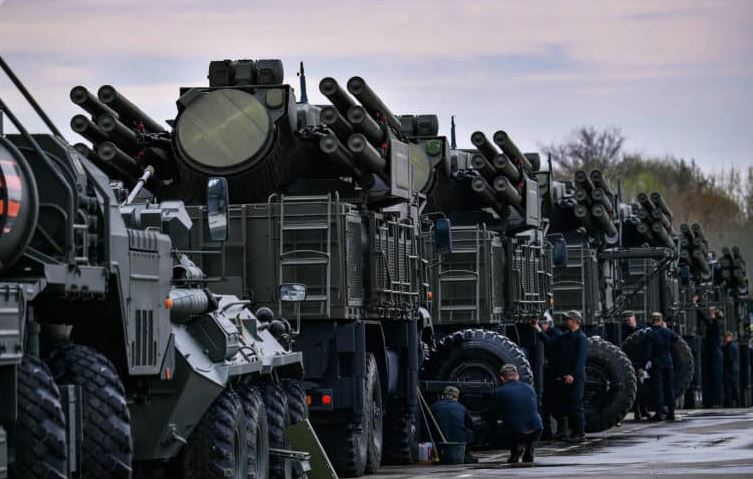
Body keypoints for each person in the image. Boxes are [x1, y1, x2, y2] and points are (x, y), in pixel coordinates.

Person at [532, 310, 588, 442]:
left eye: (568, 319)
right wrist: (537, 328)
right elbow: (550, 343)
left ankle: (579, 433)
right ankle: (566, 432)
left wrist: (572, 375)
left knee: (575, 405)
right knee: (564, 405)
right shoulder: (566, 336)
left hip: (575, 378)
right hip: (564, 377)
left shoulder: (581, 338)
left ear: (575, 321)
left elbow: (580, 360)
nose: (565, 321)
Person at [489, 364, 543, 464]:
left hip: (517, 431)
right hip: (537, 428)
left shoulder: (499, 392)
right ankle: (529, 447)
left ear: (502, 378)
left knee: (502, 425)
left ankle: (516, 449)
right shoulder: (529, 388)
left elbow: (493, 414)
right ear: (517, 376)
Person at [645, 312, 680, 421]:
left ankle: (659, 413)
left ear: (652, 321)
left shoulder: (650, 334)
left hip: (657, 364)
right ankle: (671, 413)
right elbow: (676, 339)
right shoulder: (667, 332)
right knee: (670, 388)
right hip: (668, 363)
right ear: (661, 321)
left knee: (658, 389)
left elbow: (648, 351)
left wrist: (646, 363)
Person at [430, 386, 477, 463]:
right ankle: (465, 454)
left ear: (443, 396)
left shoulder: (434, 406)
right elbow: (471, 425)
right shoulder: (461, 407)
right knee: (471, 433)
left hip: (439, 440)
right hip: (460, 442)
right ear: (456, 397)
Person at [539, 312, 563, 439]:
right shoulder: (553, 333)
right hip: (552, 374)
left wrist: (538, 330)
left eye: (542, 323)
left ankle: (560, 430)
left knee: (554, 403)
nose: (541, 326)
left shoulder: (556, 334)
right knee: (548, 404)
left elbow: (549, 343)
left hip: (555, 374)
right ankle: (548, 431)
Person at [696, 300, 723, 407]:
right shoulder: (712, 323)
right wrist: (696, 305)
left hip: (714, 354)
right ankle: (710, 401)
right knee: (710, 377)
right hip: (711, 354)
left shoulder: (716, 324)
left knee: (715, 378)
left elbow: (709, 320)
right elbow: (704, 318)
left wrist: (712, 312)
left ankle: (716, 400)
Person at [722, 332, 740, 408]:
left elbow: (730, 358)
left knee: (729, 387)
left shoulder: (729, 347)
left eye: (726, 337)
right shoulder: (734, 346)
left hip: (730, 370)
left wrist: (724, 358)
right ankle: (736, 403)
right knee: (733, 387)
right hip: (733, 369)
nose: (725, 339)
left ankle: (730, 404)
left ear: (730, 337)